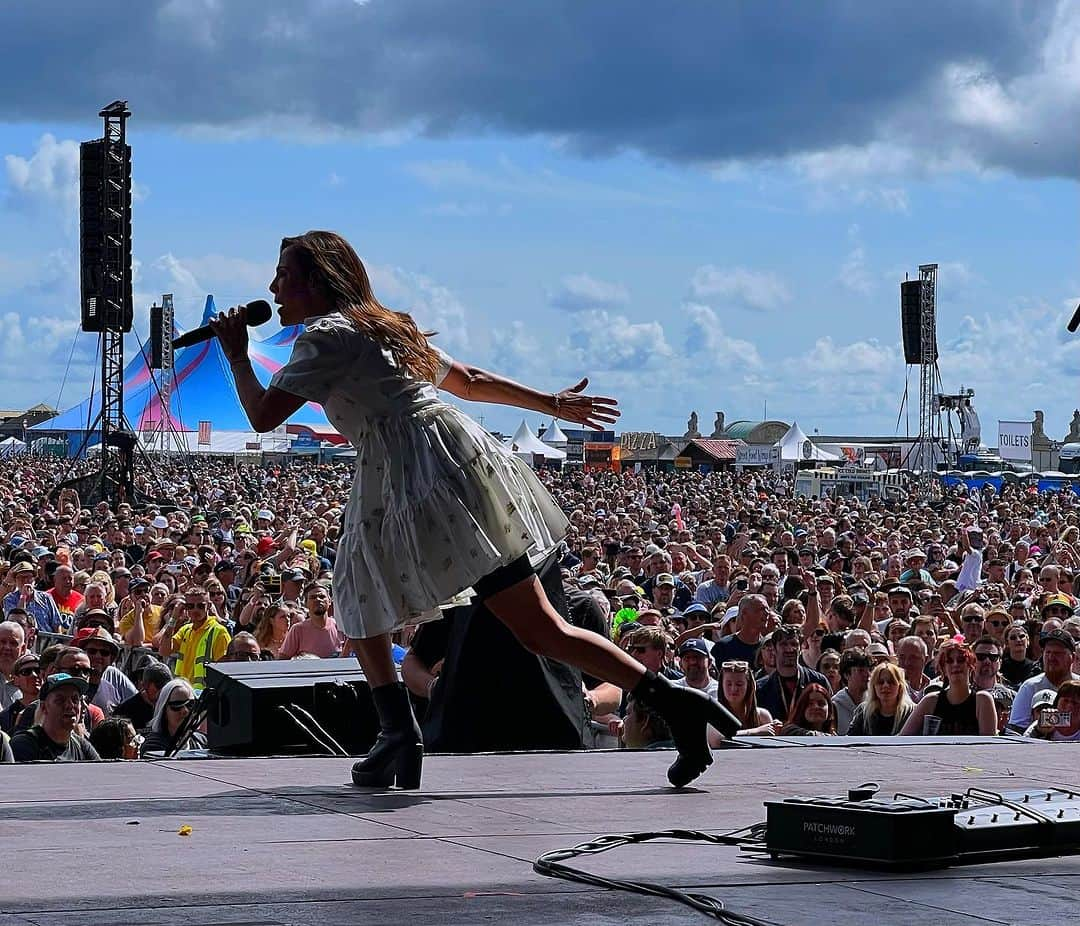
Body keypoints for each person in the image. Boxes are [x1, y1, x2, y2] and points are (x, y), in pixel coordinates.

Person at [210, 230, 739, 789]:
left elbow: (265, 415)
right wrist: (550, 403)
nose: (273, 287)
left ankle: (398, 733)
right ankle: (673, 700)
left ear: (317, 281)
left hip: (412, 478)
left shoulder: (325, 336)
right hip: (454, 466)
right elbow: (469, 382)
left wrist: (238, 356)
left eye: (283, 275)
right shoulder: (384, 326)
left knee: (362, 596)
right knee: (539, 629)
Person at [901, 641, 997, 736]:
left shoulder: (982, 700)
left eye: (961, 660)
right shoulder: (931, 701)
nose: (955, 664)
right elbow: (902, 738)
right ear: (943, 669)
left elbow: (987, 746)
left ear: (970, 666)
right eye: (949, 661)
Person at [9, 673, 101, 762]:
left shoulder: (82, 747)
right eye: (60, 700)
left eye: (75, 699)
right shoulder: (24, 745)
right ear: (44, 707)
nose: (70, 705)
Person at [708, 660, 781, 745]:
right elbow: (717, 741)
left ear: (748, 686)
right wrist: (756, 731)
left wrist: (776, 730)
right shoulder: (714, 715)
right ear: (721, 686)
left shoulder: (762, 717)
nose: (734, 689)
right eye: (729, 684)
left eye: (739, 684)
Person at [141, 679, 207, 756]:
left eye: (190, 705)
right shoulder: (153, 746)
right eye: (177, 705)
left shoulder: (202, 741)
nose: (185, 710)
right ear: (164, 711)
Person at [278, 582, 344, 658]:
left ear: (329, 601)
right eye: (313, 597)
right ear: (306, 603)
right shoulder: (298, 630)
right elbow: (283, 658)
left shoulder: (340, 627)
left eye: (322, 597)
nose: (318, 599)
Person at [847, 662, 914, 736]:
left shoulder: (911, 712)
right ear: (873, 686)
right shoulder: (863, 712)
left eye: (891, 682)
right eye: (880, 682)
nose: (885, 686)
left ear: (900, 686)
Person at [831, 648, 871, 735]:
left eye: (869, 670)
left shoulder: (874, 702)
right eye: (861, 671)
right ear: (846, 675)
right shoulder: (835, 706)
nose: (868, 675)